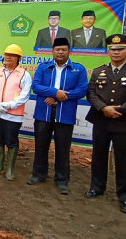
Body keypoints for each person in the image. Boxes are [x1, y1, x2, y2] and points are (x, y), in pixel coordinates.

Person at [84, 34, 126, 214]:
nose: (116, 52)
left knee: (124, 161)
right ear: (108, 51)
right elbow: (91, 93)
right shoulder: (99, 71)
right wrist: (103, 108)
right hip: (101, 120)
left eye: (120, 49)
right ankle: (97, 187)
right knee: (98, 156)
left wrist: (119, 110)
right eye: (113, 49)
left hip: (124, 122)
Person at [27, 38, 88, 193]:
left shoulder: (78, 69)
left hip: (65, 114)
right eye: (57, 49)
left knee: (62, 148)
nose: (60, 52)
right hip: (44, 113)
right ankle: (38, 174)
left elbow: (82, 90)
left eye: (63, 50)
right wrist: (55, 93)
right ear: (52, 51)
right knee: (41, 146)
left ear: (69, 52)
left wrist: (58, 96)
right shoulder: (44, 67)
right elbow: (35, 86)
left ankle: (62, 180)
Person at [0, 44, 32, 180]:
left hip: (13, 115)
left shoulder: (24, 74)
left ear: (18, 58)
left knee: (11, 140)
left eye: (11, 55)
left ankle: (10, 170)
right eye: (6, 54)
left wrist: (8, 105)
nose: (7, 57)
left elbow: (25, 95)